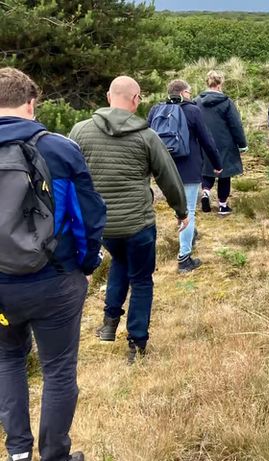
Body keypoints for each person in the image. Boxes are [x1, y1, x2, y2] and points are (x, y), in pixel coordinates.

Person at [0, 68, 106, 461]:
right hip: (55, 280)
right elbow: (90, 216)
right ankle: (55, 455)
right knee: (58, 370)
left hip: (1, 289)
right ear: (30, 103)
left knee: (7, 359)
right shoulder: (59, 148)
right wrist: (87, 262)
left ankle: (18, 453)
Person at [69, 76, 188, 364]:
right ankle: (137, 342)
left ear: (109, 96)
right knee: (142, 280)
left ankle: (109, 321)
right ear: (136, 100)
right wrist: (181, 211)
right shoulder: (147, 136)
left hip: (103, 226)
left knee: (119, 263)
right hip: (138, 224)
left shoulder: (79, 132)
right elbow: (168, 177)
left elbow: (68, 177)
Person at [148, 80, 222, 272]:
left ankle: (189, 233)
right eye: (189, 92)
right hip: (189, 169)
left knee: (178, 206)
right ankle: (184, 258)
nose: (191, 95)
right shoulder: (192, 110)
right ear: (183, 93)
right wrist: (217, 164)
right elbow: (206, 139)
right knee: (188, 210)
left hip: (164, 169)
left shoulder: (156, 110)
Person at [195, 70, 248, 216]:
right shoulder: (226, 102)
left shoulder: (197, 101)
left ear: (207, 83)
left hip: (203, 142)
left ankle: (205, 192)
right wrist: (242, 144)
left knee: (207, 169)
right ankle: (223, 206)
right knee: (224, 173)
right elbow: (235, 125)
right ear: (220, 84)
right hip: (225, 142)